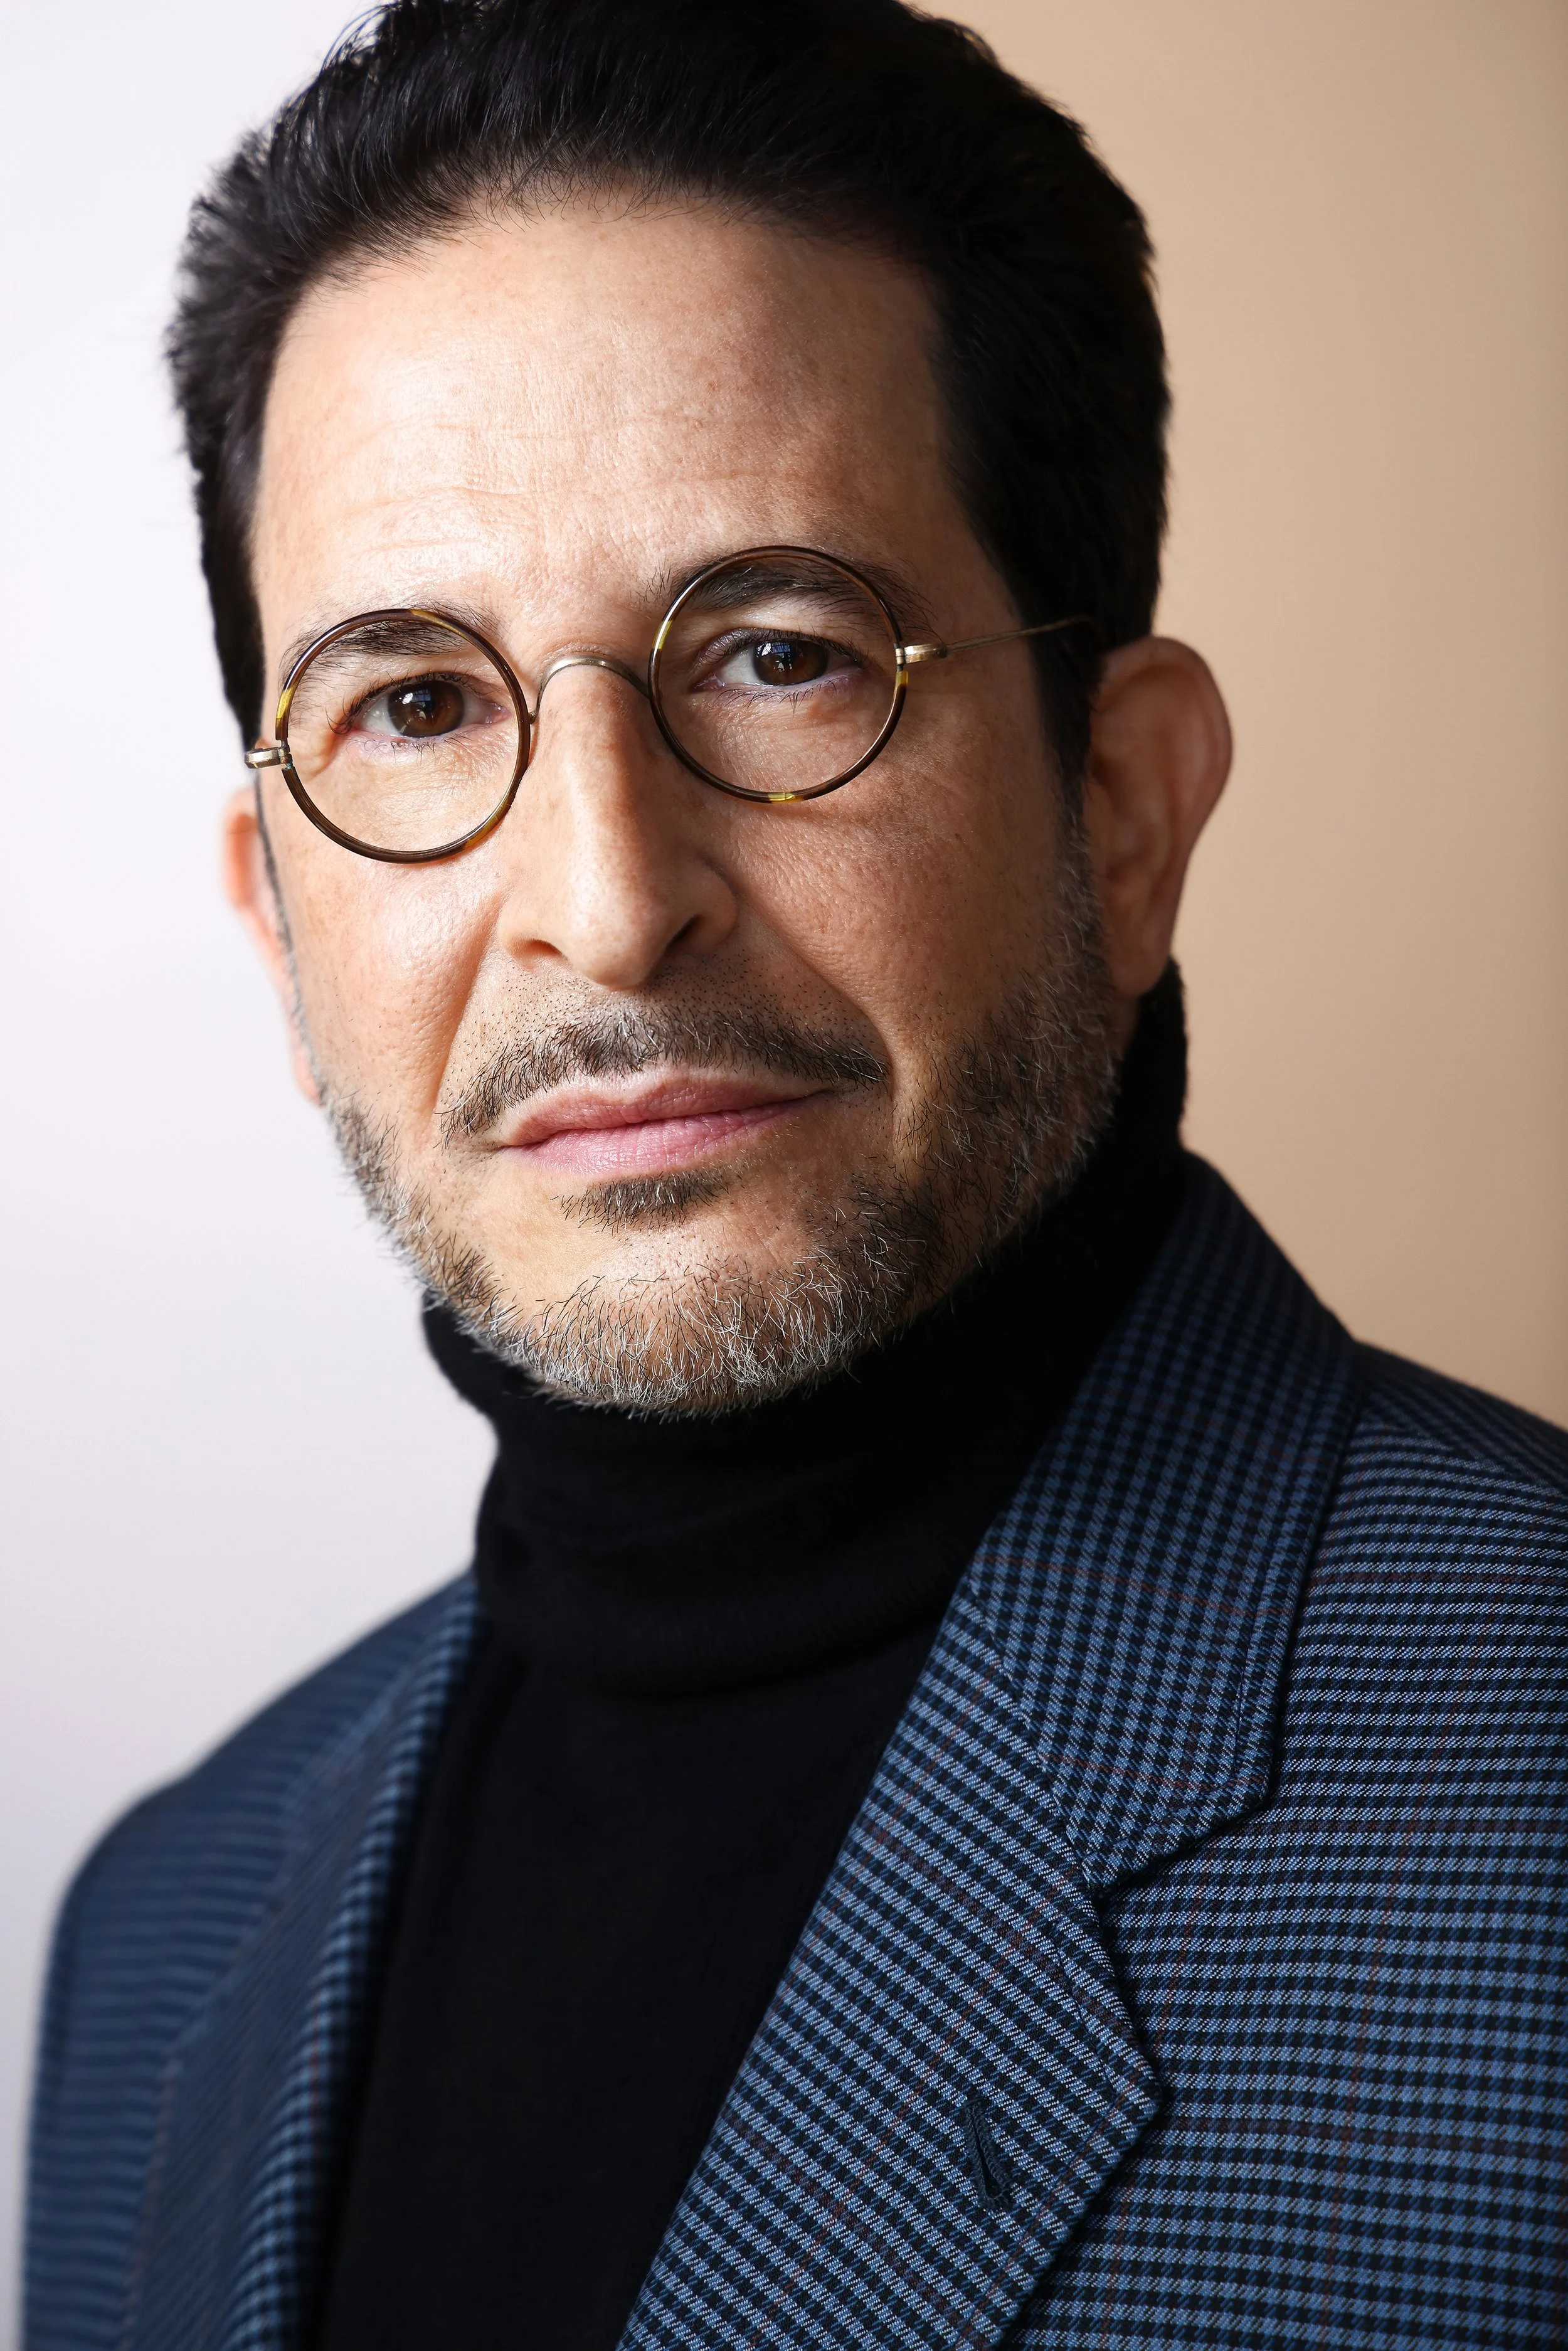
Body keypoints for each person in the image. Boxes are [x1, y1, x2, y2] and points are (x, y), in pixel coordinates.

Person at [24, 0, 1565, 2343]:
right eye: (417, 704)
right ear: (283, 915)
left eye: (771, 652)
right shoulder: (154, 1939)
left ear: (1122, 808)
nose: (608, 896)